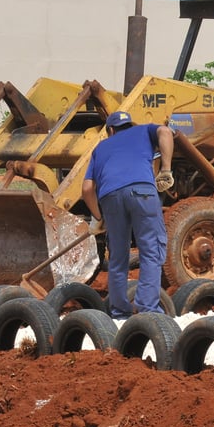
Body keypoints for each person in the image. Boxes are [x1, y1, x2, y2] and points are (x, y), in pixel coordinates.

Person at [81, 110, 175, 319]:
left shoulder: (100, 147)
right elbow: (166, 132)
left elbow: (87, 189)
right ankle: (147, 310)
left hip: (110, 197)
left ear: (111, 130)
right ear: (130, 125)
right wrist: (166, 170)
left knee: (117, 258)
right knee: (151, 249)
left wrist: (99, 217)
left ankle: (120, 313)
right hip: (141, 191)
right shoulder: (144, 131)